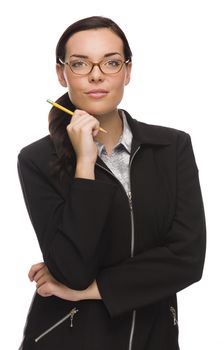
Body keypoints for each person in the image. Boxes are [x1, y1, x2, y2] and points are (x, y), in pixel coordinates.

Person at [17, 16, 206, 350]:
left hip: (155, 337)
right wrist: (86, 163)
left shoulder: (172, 146)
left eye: (111, 62)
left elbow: (187, 259)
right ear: (62, 74)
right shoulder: (37, 160)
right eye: (80, 64)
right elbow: (71, 269)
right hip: (69, 338)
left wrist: (88, 290)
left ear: (128, 71)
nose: (96, 74)